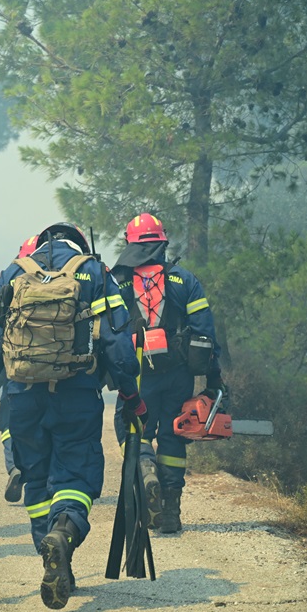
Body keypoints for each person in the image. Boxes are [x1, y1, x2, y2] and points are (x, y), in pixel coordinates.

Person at [0, 222, 143, 610]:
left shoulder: (14, 272)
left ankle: (53, 554)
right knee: (76, 476)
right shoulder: (93, 271)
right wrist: (131, 395)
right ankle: (63, 533)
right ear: (76, 243)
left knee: (37, 482)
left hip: (24, 397)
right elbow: (116, 341)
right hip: (77, 393)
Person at [111, 213, 224, 535]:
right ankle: (171, 512)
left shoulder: (117, 282)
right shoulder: (184, 280)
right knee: (174, 434)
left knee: (132, 428)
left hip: (136, 376)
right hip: (178, 374)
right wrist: (213, 379)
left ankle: (145, 467)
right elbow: (205, 333)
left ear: (129, 243)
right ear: (163, 242)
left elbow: (105, 333)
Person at [0, 235, 39, 504]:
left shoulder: (8, 278)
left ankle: (15, 466)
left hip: (15, 371)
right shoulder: (67, 280)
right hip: (58, 372)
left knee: (8, 422)